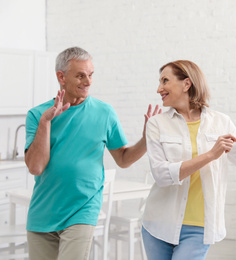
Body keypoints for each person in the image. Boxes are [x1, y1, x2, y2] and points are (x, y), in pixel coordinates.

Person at [141, 60, 236, 260]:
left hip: (199, 228)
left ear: (186, 84)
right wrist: (210, 155)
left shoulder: (220, 123)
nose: (159, 88)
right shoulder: (156, 124)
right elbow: (162, 175)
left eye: (165, 81)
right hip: (158, 224)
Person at [24, 46, 160, 260]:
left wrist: (146, 140)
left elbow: (123, 159)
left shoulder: (104, 112)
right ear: (61, 77)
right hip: (43, 213)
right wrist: (46, 122)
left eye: (90, 75)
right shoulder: (38, 115)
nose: (88, 82)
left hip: (82, 209)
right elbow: (36, 167)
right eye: (80, 76)